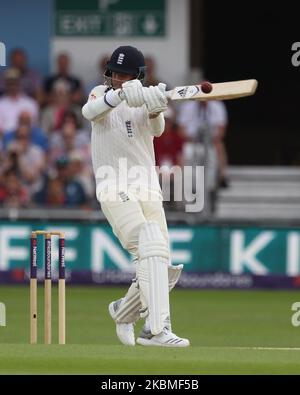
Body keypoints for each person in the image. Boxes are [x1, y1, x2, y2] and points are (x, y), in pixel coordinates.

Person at [82, 45, 189, 347]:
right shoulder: (98, 94)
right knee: (148, 245)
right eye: (116, 74)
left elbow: (157, 130)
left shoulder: (144, 100)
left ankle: (124, 311)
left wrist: (155, 107)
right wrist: (120, 95)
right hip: (113, 184)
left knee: (163, 266)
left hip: (147, 187)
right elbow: (89, 112)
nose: (120, 78)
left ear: (139, 75)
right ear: (109, 74)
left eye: (127, 74)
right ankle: (157, 330)